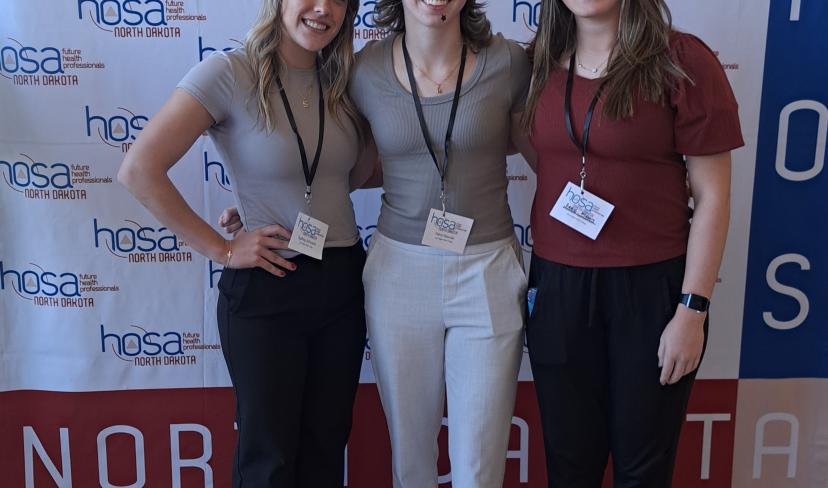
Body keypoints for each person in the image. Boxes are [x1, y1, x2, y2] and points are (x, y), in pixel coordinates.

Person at [117, 0, 377, 486]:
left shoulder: (344, 79)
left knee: (325, 451)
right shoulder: (228, 71)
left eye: (340, 0)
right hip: (269, 286)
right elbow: (139, 169)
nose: (324, 9)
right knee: (269, 460)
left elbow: (344, 176)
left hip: (343, 282)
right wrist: (225, 248)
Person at [519, 0, 744, 486]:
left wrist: (692, 309)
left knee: (643, 471)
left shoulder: (682, 61)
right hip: (557, 288)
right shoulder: (537, 61)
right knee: (569, 467)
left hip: (652, 293)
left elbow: (713, 198)